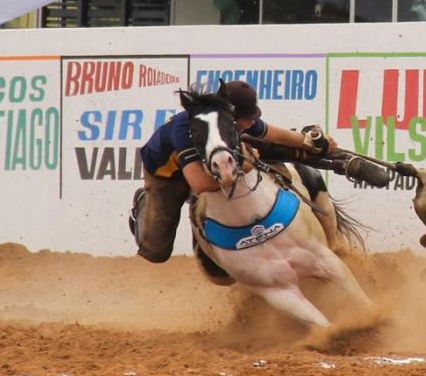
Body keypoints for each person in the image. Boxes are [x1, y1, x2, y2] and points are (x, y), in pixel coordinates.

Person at [129, 80, 338, 276]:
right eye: (245, 118)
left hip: (214, 158)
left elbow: (272, 134)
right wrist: (248, 164)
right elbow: (200, 183)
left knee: (258, 146)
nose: (251, 121)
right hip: (168, 176)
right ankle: (143, 205)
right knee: (156, 251)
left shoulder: (231, 119)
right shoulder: (185, 130)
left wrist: (307, 142)